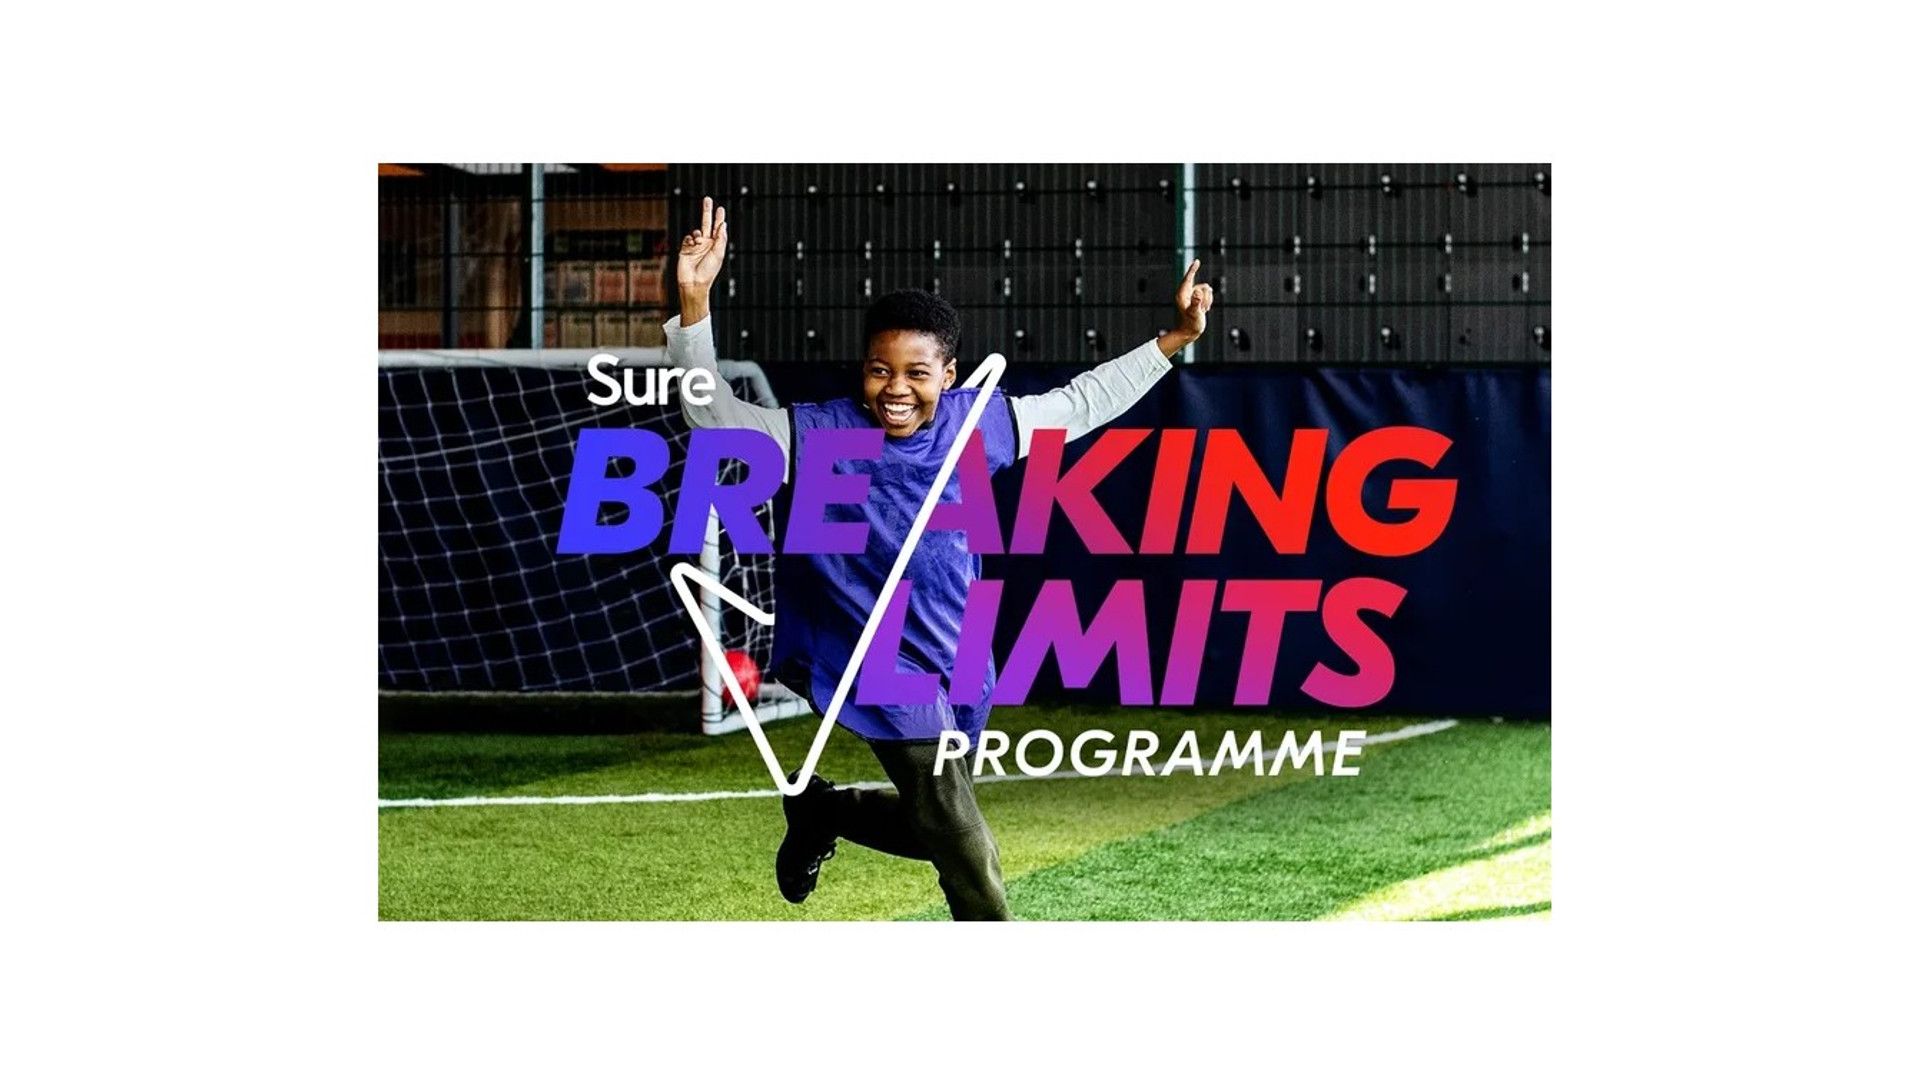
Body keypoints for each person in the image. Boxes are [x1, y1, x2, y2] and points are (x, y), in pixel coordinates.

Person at [667, 196, 1211, 919]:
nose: (895, 389)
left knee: (934, 827)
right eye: (879, 370)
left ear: (948, 375)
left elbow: (1082, 402)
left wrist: (1174, 339)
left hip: (956, 649)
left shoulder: (980, 424)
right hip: (869, 647)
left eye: (916, 373)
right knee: (968, 849)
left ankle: (825, 811)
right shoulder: (822, 433)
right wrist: (694, 304)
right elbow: (715, 417)